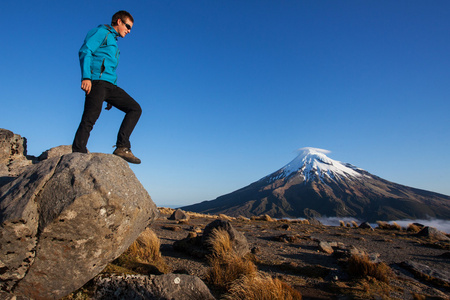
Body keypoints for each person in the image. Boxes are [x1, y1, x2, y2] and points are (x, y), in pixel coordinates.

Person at [72, 10, 142, 164]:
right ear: (118, 21)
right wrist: (86, 77)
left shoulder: (114, 41)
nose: (129, 31)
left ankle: (122, 147)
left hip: (110, 86)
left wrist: (110, 97)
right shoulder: (101, 32)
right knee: (90, 117)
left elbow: (110, 67)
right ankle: (78, 151)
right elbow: (85, 51)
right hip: (96, 82)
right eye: (128, 26)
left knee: (135, 108)